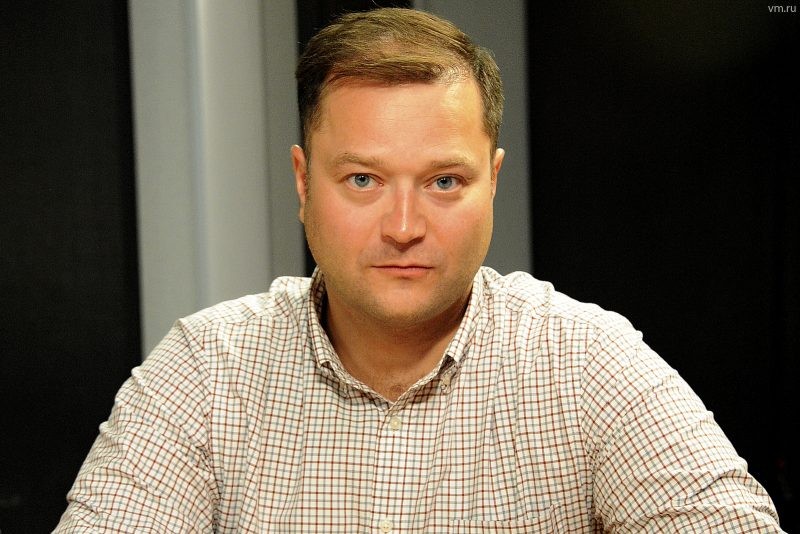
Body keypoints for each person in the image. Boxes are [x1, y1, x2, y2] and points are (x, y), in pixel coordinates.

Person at [55, 7, 783, 532]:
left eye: (443, 182)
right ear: (303, 183)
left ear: (493, 183)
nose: (403, 227)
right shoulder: (206, 369)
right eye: (363, 180)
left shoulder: (585, 361)